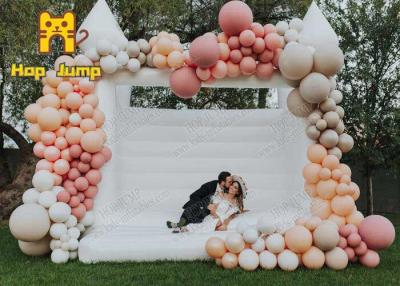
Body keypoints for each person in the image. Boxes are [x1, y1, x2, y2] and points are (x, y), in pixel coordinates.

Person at [179, 175, 247, 233]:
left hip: (222, 219)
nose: (231, 187)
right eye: (232, 185)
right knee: (212, 222)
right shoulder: (221, 195)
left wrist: (225, 225)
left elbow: (230, 216)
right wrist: (216, 216)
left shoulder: (236, 203)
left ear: (237, 192)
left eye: (235, 187)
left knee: (219, 223)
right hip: (213, 216)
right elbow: (213, 209)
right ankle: (188, 227)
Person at [166, 171, 233, 229]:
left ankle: (181, 225)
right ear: (222, 182)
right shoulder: (209, 186)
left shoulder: (228, 189)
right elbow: (194, 195)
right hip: (201, 205)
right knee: (194, 209)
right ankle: (180, 224)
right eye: (229, 182)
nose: (231, 184)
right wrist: (203, 206)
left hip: (212, 210)